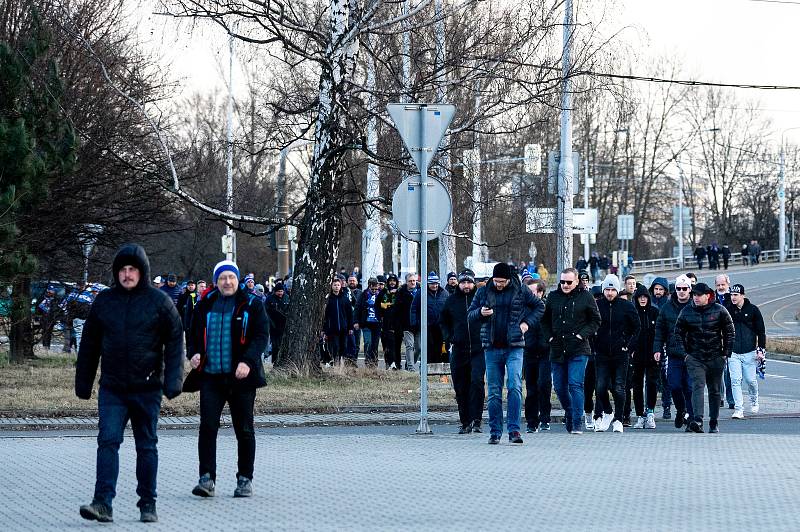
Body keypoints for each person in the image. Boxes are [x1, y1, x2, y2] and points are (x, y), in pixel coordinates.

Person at [75, 244, 184, 524]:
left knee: (146, 446)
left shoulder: (159, 302)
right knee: (107, 441)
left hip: (147, 388)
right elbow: (89, 345)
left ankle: (148, 502)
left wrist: (173, 381)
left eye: (132, 269)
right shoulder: (104, 302)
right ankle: (102, 503)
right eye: (122, 269)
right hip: (112, 388)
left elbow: (174, 339)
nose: (126, 274)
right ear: (116, 272)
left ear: (142, 271)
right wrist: (84, 383)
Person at [187, 260, 269, 498]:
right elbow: (192, 333)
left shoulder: (251, 304)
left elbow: (261, 336)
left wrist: (247, 361)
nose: (227, 282)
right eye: (222, 278)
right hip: (211, 377)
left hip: (241, 378)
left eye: (231, 277)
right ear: (216, 281)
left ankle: (245, 479)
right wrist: (193, 353)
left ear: (238, 279)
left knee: (244, 430)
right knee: (207, 427)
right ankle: (206, 479)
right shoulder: (205, 304)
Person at [468, 262, 543, 444]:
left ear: (509, 279)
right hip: (492, 347)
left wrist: (526, 324)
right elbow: (470, 315)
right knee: (494, 391)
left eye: (502, 281)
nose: (499, 284)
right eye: (496, 281)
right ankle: (495, 431)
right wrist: (481, 312)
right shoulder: (483, 291)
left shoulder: (520, 290)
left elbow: (539, 307)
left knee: (515, 386)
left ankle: (514, 430)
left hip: (514, 346)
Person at [541, 267, 601, 435]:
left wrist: (582, 335)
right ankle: (570, 410)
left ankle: (577, 421)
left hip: (579, 349)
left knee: (575, 384)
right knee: (560, 387)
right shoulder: (553, 297)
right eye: (562, 282)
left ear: (576, 281)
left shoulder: (586, 297)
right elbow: (544, 321)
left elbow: (596, 320)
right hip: (558, 348)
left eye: (569, 282)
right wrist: (550, 338)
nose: (565, 285)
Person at [675, 282, 735, 433]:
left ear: (707, 296)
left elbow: (730, 331)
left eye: (699, 295)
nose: (695, 297)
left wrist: (725, 354)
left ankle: (714, 423)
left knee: (715, 390)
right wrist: (685, 355)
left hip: (716, 356)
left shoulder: (720, 310)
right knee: (698, 386)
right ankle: (698, 421)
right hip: (695, 357)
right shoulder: (686, 311)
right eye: (694, 294)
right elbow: (677, 334)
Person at [592, 274, 640, 433]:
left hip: (621, 354)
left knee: (619, 387)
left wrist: (628, 346)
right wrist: (594, 345)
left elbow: (637, 328)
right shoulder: (597, 305)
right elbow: (590, 326)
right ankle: (607, 412)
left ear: (618, 290)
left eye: (613, 289)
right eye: (607, 289)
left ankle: (619, 419)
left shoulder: (626, 306)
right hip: (602, 353)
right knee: (600, 387)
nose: (610, 293)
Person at [439, 269, 485, 433]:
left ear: (474, 283)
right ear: (459, 283)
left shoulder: (480, 299)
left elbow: (489, 318)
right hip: (459, 349)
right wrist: (449, 337)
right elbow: (443, 321)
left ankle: (477, 420)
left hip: (479, 349)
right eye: (463, 282)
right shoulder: (451, 300)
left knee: (477, 382)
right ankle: (465, 421)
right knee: (461, 386)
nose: (466, 285)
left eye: (469, 282)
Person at [653, 274, 694, 429]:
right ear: (675, 290)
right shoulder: (667, 307)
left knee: (689, 388)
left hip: (691, 355)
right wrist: (657, 349)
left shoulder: (694, 306)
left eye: (685, 289)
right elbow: (660, 329)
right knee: (674, 385)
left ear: (690, 290)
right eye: (679, 289)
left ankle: (691, 418)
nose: (682, 291)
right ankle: (681, 410)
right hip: (674, 353)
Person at [727, 284, 766, 419]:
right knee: (735, 380)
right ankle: (739, 409)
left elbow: (761, 332)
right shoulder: (727, 310)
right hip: (733, 352)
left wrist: (760, 350)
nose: (733, 297)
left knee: (750, 380)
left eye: (736, 295)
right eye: (731, 294)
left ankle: (754, 399)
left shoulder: (753, 310)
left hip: (750, 352)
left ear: (743, 295)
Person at [523, 279, 552, 433]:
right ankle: (531, 421)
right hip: (529, 351)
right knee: (531, 388)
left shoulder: (547, 307)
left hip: (546, 351)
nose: (529, 295)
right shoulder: (523, 307)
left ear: (540, 292)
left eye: (532, 291)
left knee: (544, 384)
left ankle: (545, 418)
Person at [631, 286, 660, 429]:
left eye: (645, 297)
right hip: (636, 355)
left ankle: (650, 413)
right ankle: (639, 415)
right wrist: (630, 349)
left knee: (652, 383)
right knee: (637, 385)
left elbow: (659, 334)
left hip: (652, 354)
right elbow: (628, 332)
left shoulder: (654, 312)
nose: (642, 299)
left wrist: (658, 350)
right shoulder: (632, 312)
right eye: (640, 297)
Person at [410, 272, 449, 364]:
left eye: (436, 283)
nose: (434, 286)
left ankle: (437, 366)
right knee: (428, 347)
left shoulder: (444, 293)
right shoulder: (421, 293)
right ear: (428, 284)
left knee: (439, 347)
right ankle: (427, 367)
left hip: (440, 326)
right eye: (432, 284)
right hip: (426, 325)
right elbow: (414, 308)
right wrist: (414, 322)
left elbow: (448, 309)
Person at [322, 277, 355, 366]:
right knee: (335, 346)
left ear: (341, 286)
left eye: (338, 285)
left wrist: (350, 327)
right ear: (332, 286)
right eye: (335, 285)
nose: (336, 287)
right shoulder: (329, 299)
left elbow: (350, 314)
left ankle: (341, 362)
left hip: (344, 328)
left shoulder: (345, 299)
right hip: (332, 328)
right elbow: (325, 316)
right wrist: (325, 329)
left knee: (343, 346)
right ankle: (334, 361)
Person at [715, 273, 735, 409]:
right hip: (715, 338)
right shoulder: (711, 298)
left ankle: (731, 399)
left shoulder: (733, 297)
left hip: (729, 338)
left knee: (730, 372)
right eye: (718, 285)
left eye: (723, 285)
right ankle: (719, 397)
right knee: (717, 371)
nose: (721, 287)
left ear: (728, 284)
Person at [377, 274, 402, 370]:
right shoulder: (383, 292)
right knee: (388, 344)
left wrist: (397, 294)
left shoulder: (400, 292)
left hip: (398, 323)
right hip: (386, 323)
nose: (392, 283)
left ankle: (398, 364)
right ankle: (390, 363)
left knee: (397, 345)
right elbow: (377, 305)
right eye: (390, 281)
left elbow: (403, 304)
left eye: (394, 281)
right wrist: (380, 317)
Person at [356, 278, 383, 367]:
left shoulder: (381, 295)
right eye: (373, 289)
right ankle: (368, 362)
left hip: (377, 323)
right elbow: (357, 308)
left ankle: (374, 363)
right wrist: (356, 321)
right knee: (368, 342)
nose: (374, 291)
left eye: (376, 289)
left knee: (375, 344)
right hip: (366, 323)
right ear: (369, 286)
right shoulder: (363, 295)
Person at [398, 273, 420, 371]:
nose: (412, 282)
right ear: (406, 282)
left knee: (419, 348)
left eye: (414, 280)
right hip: (407, 324)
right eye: (410, 281)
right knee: (409, 346)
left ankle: (409, 363)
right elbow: (397, 309)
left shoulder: (421, 291)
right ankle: (410, 368)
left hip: (419, 324)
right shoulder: (401, 293)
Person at [265, 282, 289, 365]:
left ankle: (283, 362)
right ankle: (275, 362)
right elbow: (266, 313)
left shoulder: (287, 298)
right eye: (278, 291)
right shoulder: (269, 299)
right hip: (273, 326)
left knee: (284, 345)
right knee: (275, 346)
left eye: (281, 291)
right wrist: (272, 324)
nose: (280, 293)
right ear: (275, 291)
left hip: (284, 326)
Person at [36, 285, 58, 350]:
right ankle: (44, 345)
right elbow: (38, 308)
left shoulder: (55, 299)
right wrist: (37, 317)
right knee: (45, 331)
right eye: (51, 291)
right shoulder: (42, 298)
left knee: (49, 332)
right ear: (48, 291)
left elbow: (57, 309)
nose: (52, 292)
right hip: (44, 317)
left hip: (51, 318)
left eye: (53, 291)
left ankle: (47, 346)